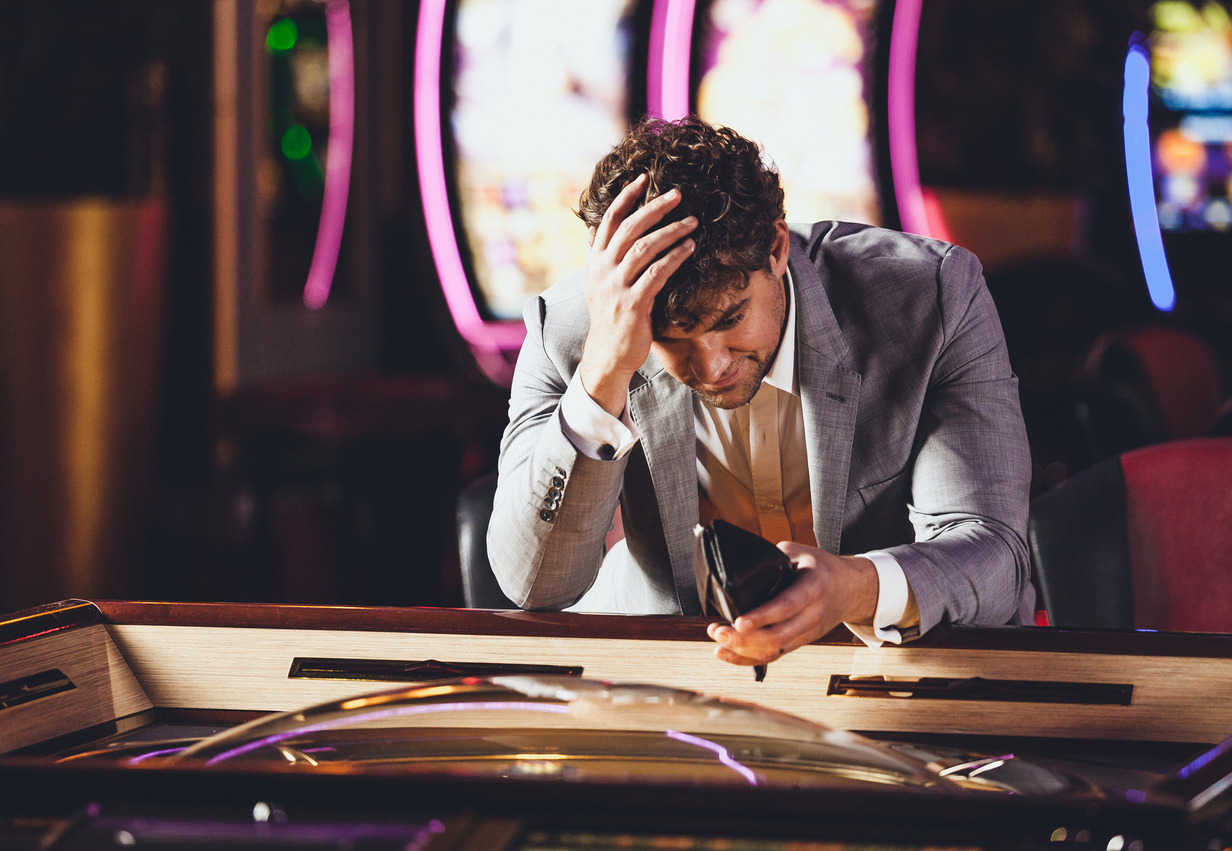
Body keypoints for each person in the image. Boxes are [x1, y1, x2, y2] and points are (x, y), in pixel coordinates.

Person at [488, 116, 1033, 670]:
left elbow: (993, 553)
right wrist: (603, 375)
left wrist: (853, 588)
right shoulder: (569, 330)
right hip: (670, 671)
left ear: (775, 249)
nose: (712, 363)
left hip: (895, 666)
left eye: (731, 318)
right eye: (671, 339)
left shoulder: (930, 297)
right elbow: (533, 583)